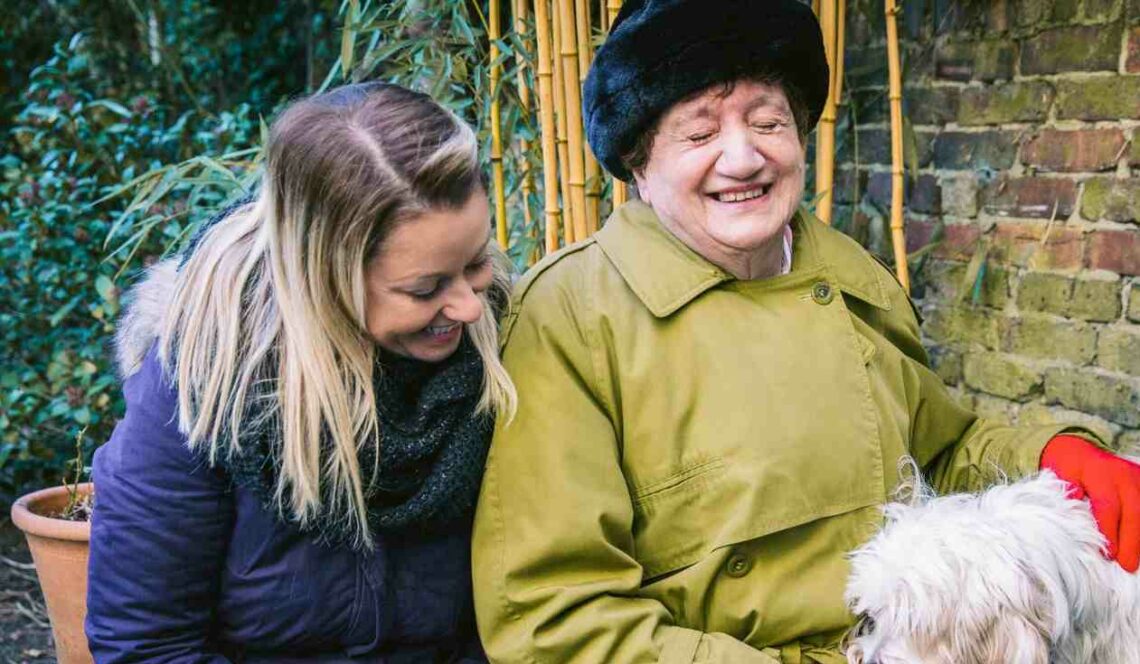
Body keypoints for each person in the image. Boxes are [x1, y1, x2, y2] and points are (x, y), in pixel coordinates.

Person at [470, 1, 1140, 662]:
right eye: (699, 135)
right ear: (639, 163)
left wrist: (1058, 459)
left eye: (768, 121)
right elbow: (557, 622)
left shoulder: (850, 273)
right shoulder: (570, 315)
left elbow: (941, 447)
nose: (742, 158)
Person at [86, 82, 515, 662]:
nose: (468, 305)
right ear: (323, 276)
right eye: (425, 288)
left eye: (476, 262)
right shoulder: (203, 384)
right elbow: (147, 644)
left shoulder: (504, 343)